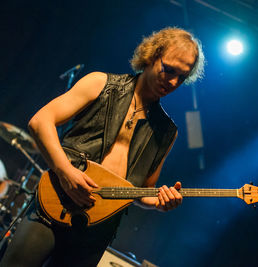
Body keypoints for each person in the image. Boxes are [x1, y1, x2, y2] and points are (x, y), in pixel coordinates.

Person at [0, 27, 205, 267]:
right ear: (151, 56)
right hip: (54, 207)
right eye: (168, 70)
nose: (173, 82)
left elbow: (143, 191)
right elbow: (40, 121)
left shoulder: (167, 131)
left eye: (182, 77)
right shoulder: (101, 83)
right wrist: (66, 172)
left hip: (97, 231)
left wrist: (160, 202)